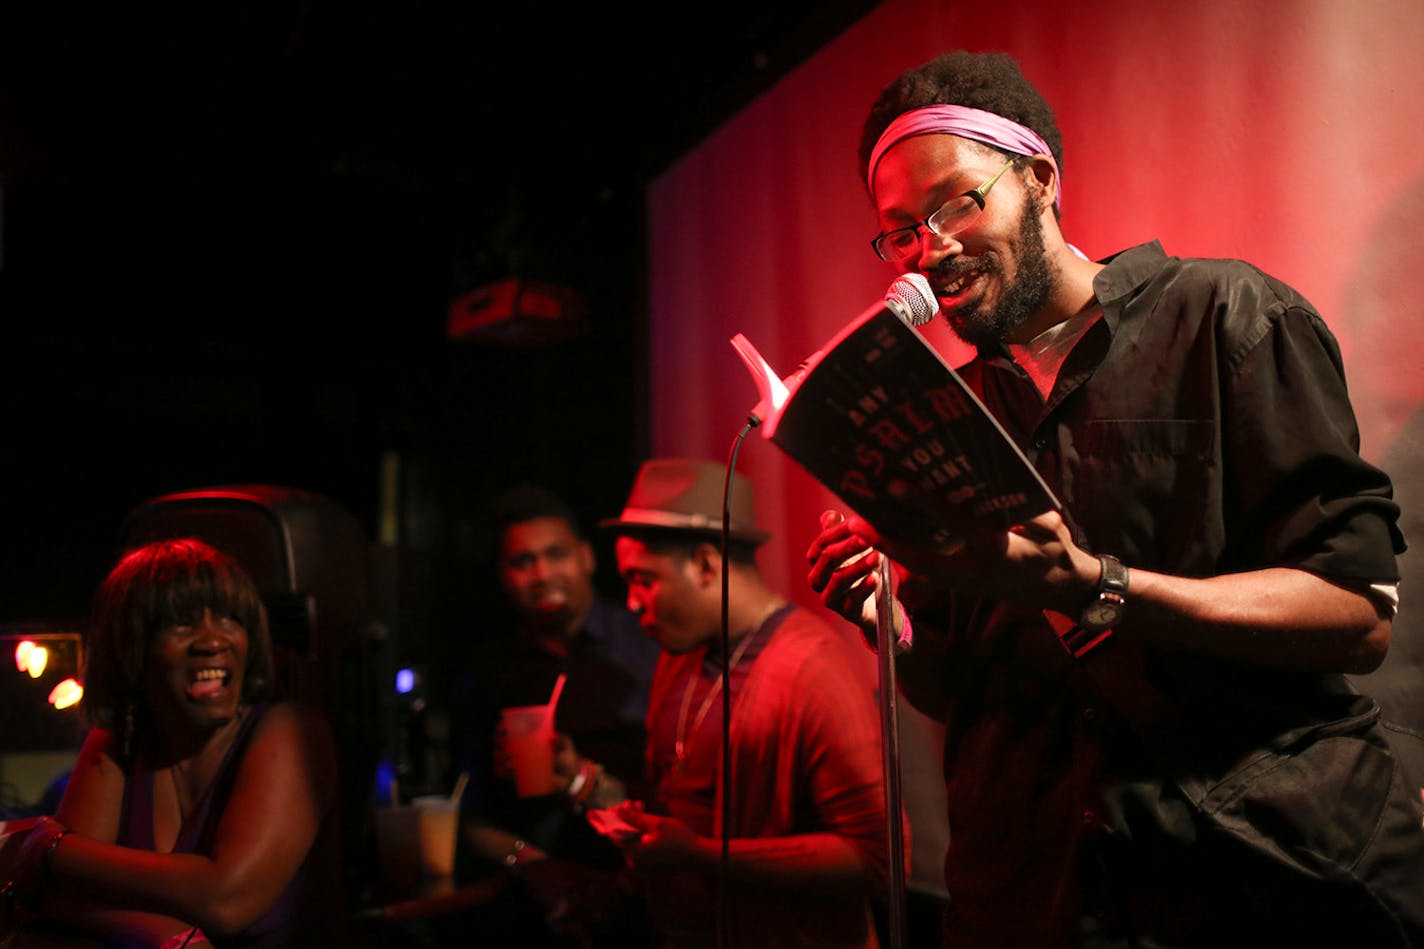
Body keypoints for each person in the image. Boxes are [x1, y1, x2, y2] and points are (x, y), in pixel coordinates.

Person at [805, 49, 1424, 948]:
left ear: (1041, 179)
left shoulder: (1225, 316)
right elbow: (963, 692)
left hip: (1252, 877)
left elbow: (1357, 615)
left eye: (954, 205)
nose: (927, 249)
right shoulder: (950, 412)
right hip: (1036, 897)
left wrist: (1097, 584)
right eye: (900, 231)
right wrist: (884, 615)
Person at [598, 457, 897, 949]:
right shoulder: (682, 653)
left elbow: (879, 860)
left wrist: (701, 855)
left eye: (643, 580)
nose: (632, 603)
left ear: (705, 565)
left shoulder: (812, 668)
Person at [0, 537, 346, 948]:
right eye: (181, 623)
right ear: (133, 647)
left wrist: (51, 846)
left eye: (230, 619)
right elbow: (54, 896)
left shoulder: (289, 729)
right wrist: (156, 930)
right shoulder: (119, 742)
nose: (213, 641)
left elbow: (225, 901)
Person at [444, 483, 661, 947]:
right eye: (522, 562)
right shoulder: (489, 674)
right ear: (503, 575)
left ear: (587, 557)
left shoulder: (648, 644)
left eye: (556, 554)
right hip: (531, 910)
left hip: (648, 895)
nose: (541, 573)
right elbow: (465, 814)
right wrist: (536, 866)